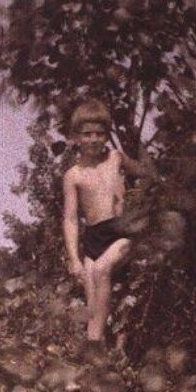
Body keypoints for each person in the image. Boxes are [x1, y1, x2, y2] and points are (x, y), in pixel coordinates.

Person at [62, 100, 137, 345]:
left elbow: (144, 173)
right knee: (95, 303)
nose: (94, 139)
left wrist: (141, 199)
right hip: (93, 237)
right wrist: (74, 258)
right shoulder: (73, 175)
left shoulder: (115, 158)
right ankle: (103, 364)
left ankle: (92, 345)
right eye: (87, 134)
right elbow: (71, 218)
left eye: (100, 133)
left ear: (106, 135)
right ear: (75, 137)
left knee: (103, 269)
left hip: (120, 231)